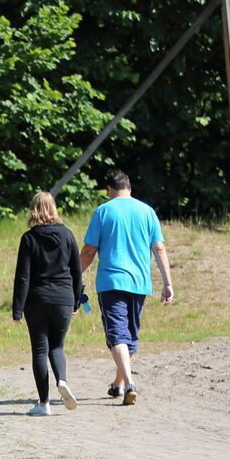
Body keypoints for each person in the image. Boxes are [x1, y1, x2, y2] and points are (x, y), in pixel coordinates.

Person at [80, 169, 173, 406]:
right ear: (129, 188)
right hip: (140, 283)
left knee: (117, 334)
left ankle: (130, 383)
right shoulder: (147, 211)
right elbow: (159, 248)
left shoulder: (103, 211)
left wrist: (73, 274)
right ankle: (119, 384)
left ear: (109, 190)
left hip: (111, 282)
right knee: (129, 335)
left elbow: (89, 251)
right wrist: (167, 283)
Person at [11, 191, 83, 416]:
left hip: (37, 300)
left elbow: (23, 276)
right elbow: (77, 271)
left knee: (40, 351)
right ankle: (62, 380)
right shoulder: (68, 235)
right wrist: (77, 298)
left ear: (34, 210)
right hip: (63, 299)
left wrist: (17, 308)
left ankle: (43, 403)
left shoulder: (29, 238)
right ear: (53, 209)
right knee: (57, 346)